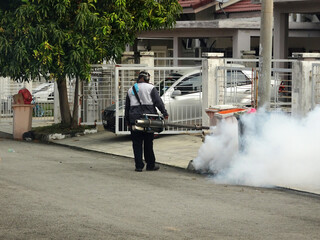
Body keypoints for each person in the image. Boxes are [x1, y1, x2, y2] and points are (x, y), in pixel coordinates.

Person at [125, 71, 168, 172]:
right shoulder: (150, 88)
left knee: (136, 143)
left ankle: (139, 166)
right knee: (148, 143)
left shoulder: (131, 89)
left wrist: (127, 121)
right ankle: (150, 165)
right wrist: (164, 113)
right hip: (148, 119)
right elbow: (158, 102)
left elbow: (127, 107)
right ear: (147, 78)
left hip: (134, 120)